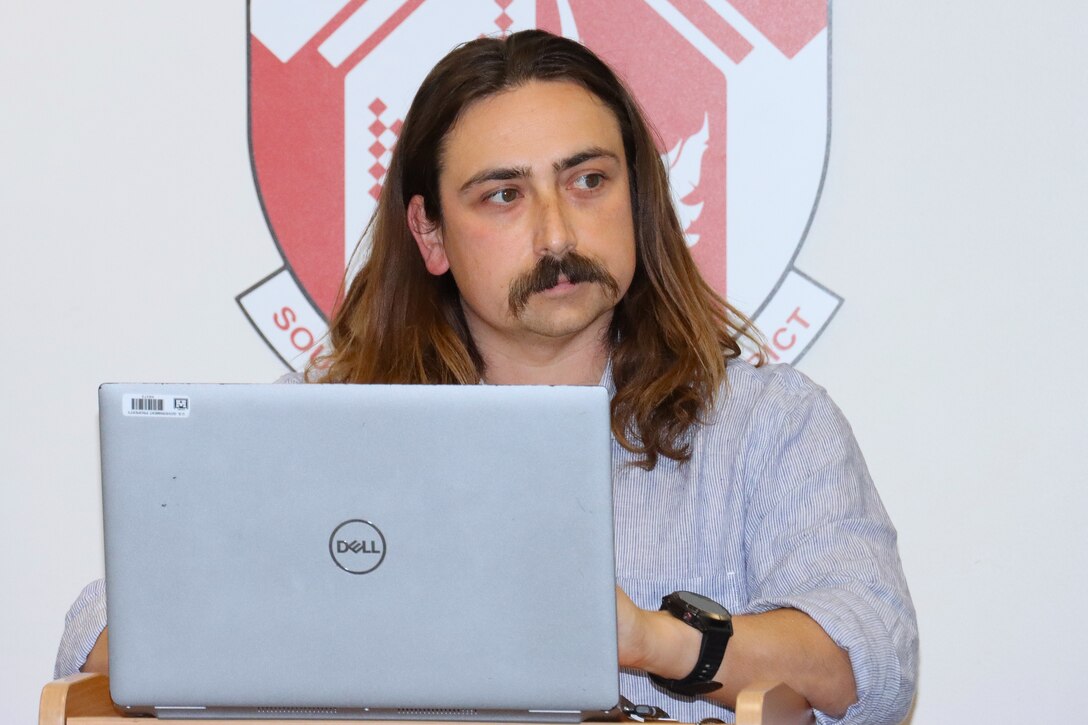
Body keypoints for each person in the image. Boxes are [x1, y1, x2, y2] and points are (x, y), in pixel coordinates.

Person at [57, 29, 917, 724]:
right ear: (429, 235)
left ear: (638, 198)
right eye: (503, 195)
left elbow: (870, 660)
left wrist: (649, 640)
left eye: (587, 180)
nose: (555, 232)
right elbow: (95, 640)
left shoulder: (768, 422)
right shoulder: (325, 429)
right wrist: (284, 605)